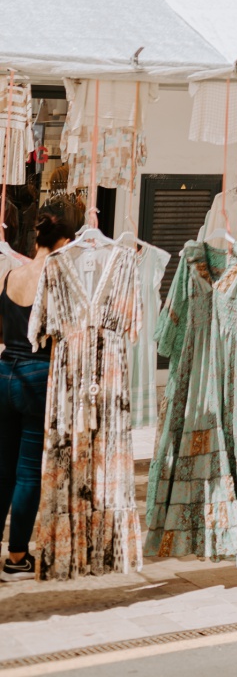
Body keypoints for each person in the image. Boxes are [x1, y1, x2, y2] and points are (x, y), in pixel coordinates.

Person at [0, 208, 75, 580]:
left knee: (2, 469)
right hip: (38, 376)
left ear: (36, 239)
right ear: (63, 243)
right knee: (28, 472)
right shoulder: (58, 278)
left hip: (4, 373)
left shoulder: (14, 273)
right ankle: (16, 559)